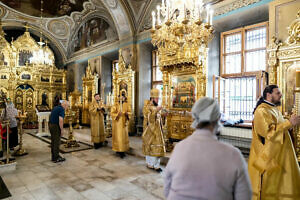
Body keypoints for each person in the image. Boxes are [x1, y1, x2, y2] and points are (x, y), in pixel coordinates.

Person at [164, 97, 252, 200]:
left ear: (194, 118)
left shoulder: (179, 148)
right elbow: (244, 196)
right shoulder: (233, 154)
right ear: (218, 118)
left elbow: (167, 190)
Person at [248, 85, 300, 200]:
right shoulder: (261, 111)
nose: (280, 95)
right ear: (268, 94)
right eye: (278, 93)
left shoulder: (273, 109)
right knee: (269, 184)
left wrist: (289, 123)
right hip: (269, 155)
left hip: (280, 153)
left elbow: (280, 126)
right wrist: (289, 123)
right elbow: (268, 132)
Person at [142, 88, 165, 172]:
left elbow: (158, 118)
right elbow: (149, 119)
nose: (158, 100)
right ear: (152, 98)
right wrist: (156, 111)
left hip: (157, 130)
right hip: (150, 131)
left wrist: (163, 114)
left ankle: (156, 165)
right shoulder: (147, 107)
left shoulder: (155, 106)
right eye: (156, 98)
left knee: (157, 148)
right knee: (151, 147)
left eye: (158, 98)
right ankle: (150, 164)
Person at [111, 92, 131, 158]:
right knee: (118, 137)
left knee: (123, 137)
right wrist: (117, 114)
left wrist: (127, 114)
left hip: (124, 123)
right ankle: (118, 149)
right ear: (118, 97)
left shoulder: (126, 104)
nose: (122, 98)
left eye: (123, 97)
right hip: (117, 123)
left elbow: (130, 112)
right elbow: (112, 113)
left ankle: (123, 150)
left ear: (125, 98)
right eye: (120, 97)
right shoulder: (115, 104)